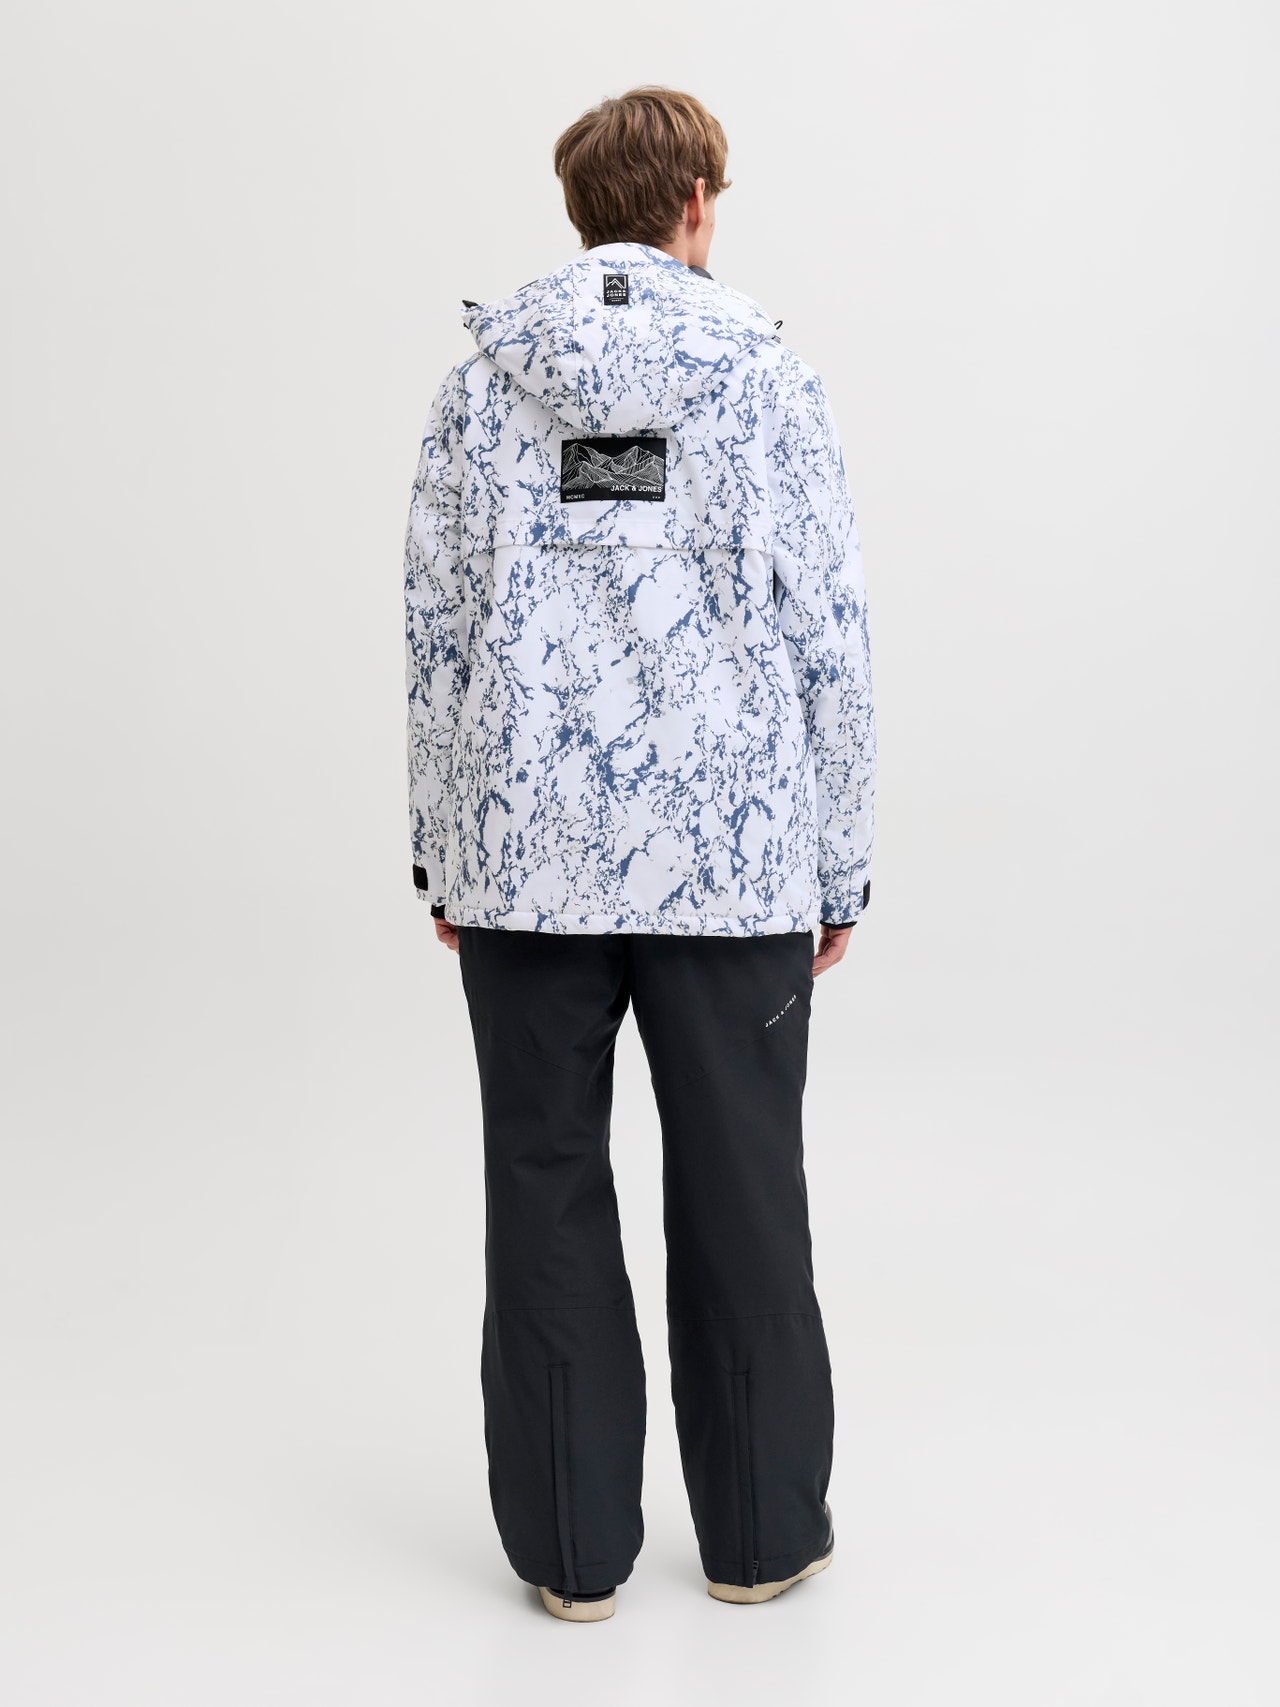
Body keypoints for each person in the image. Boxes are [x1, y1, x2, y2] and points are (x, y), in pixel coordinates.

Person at [403, 85, 876, 1622]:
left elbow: (437, 637)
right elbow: (830, 636)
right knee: (745, 1192)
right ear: (694, 205)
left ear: (582, 210)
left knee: (542, 1186)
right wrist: (840, 863)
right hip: (731, 866)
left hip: (525, 858)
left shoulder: (482, 388)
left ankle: (570, 1560)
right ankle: (759, 1542)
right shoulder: (768, 380)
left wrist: (444, 854)